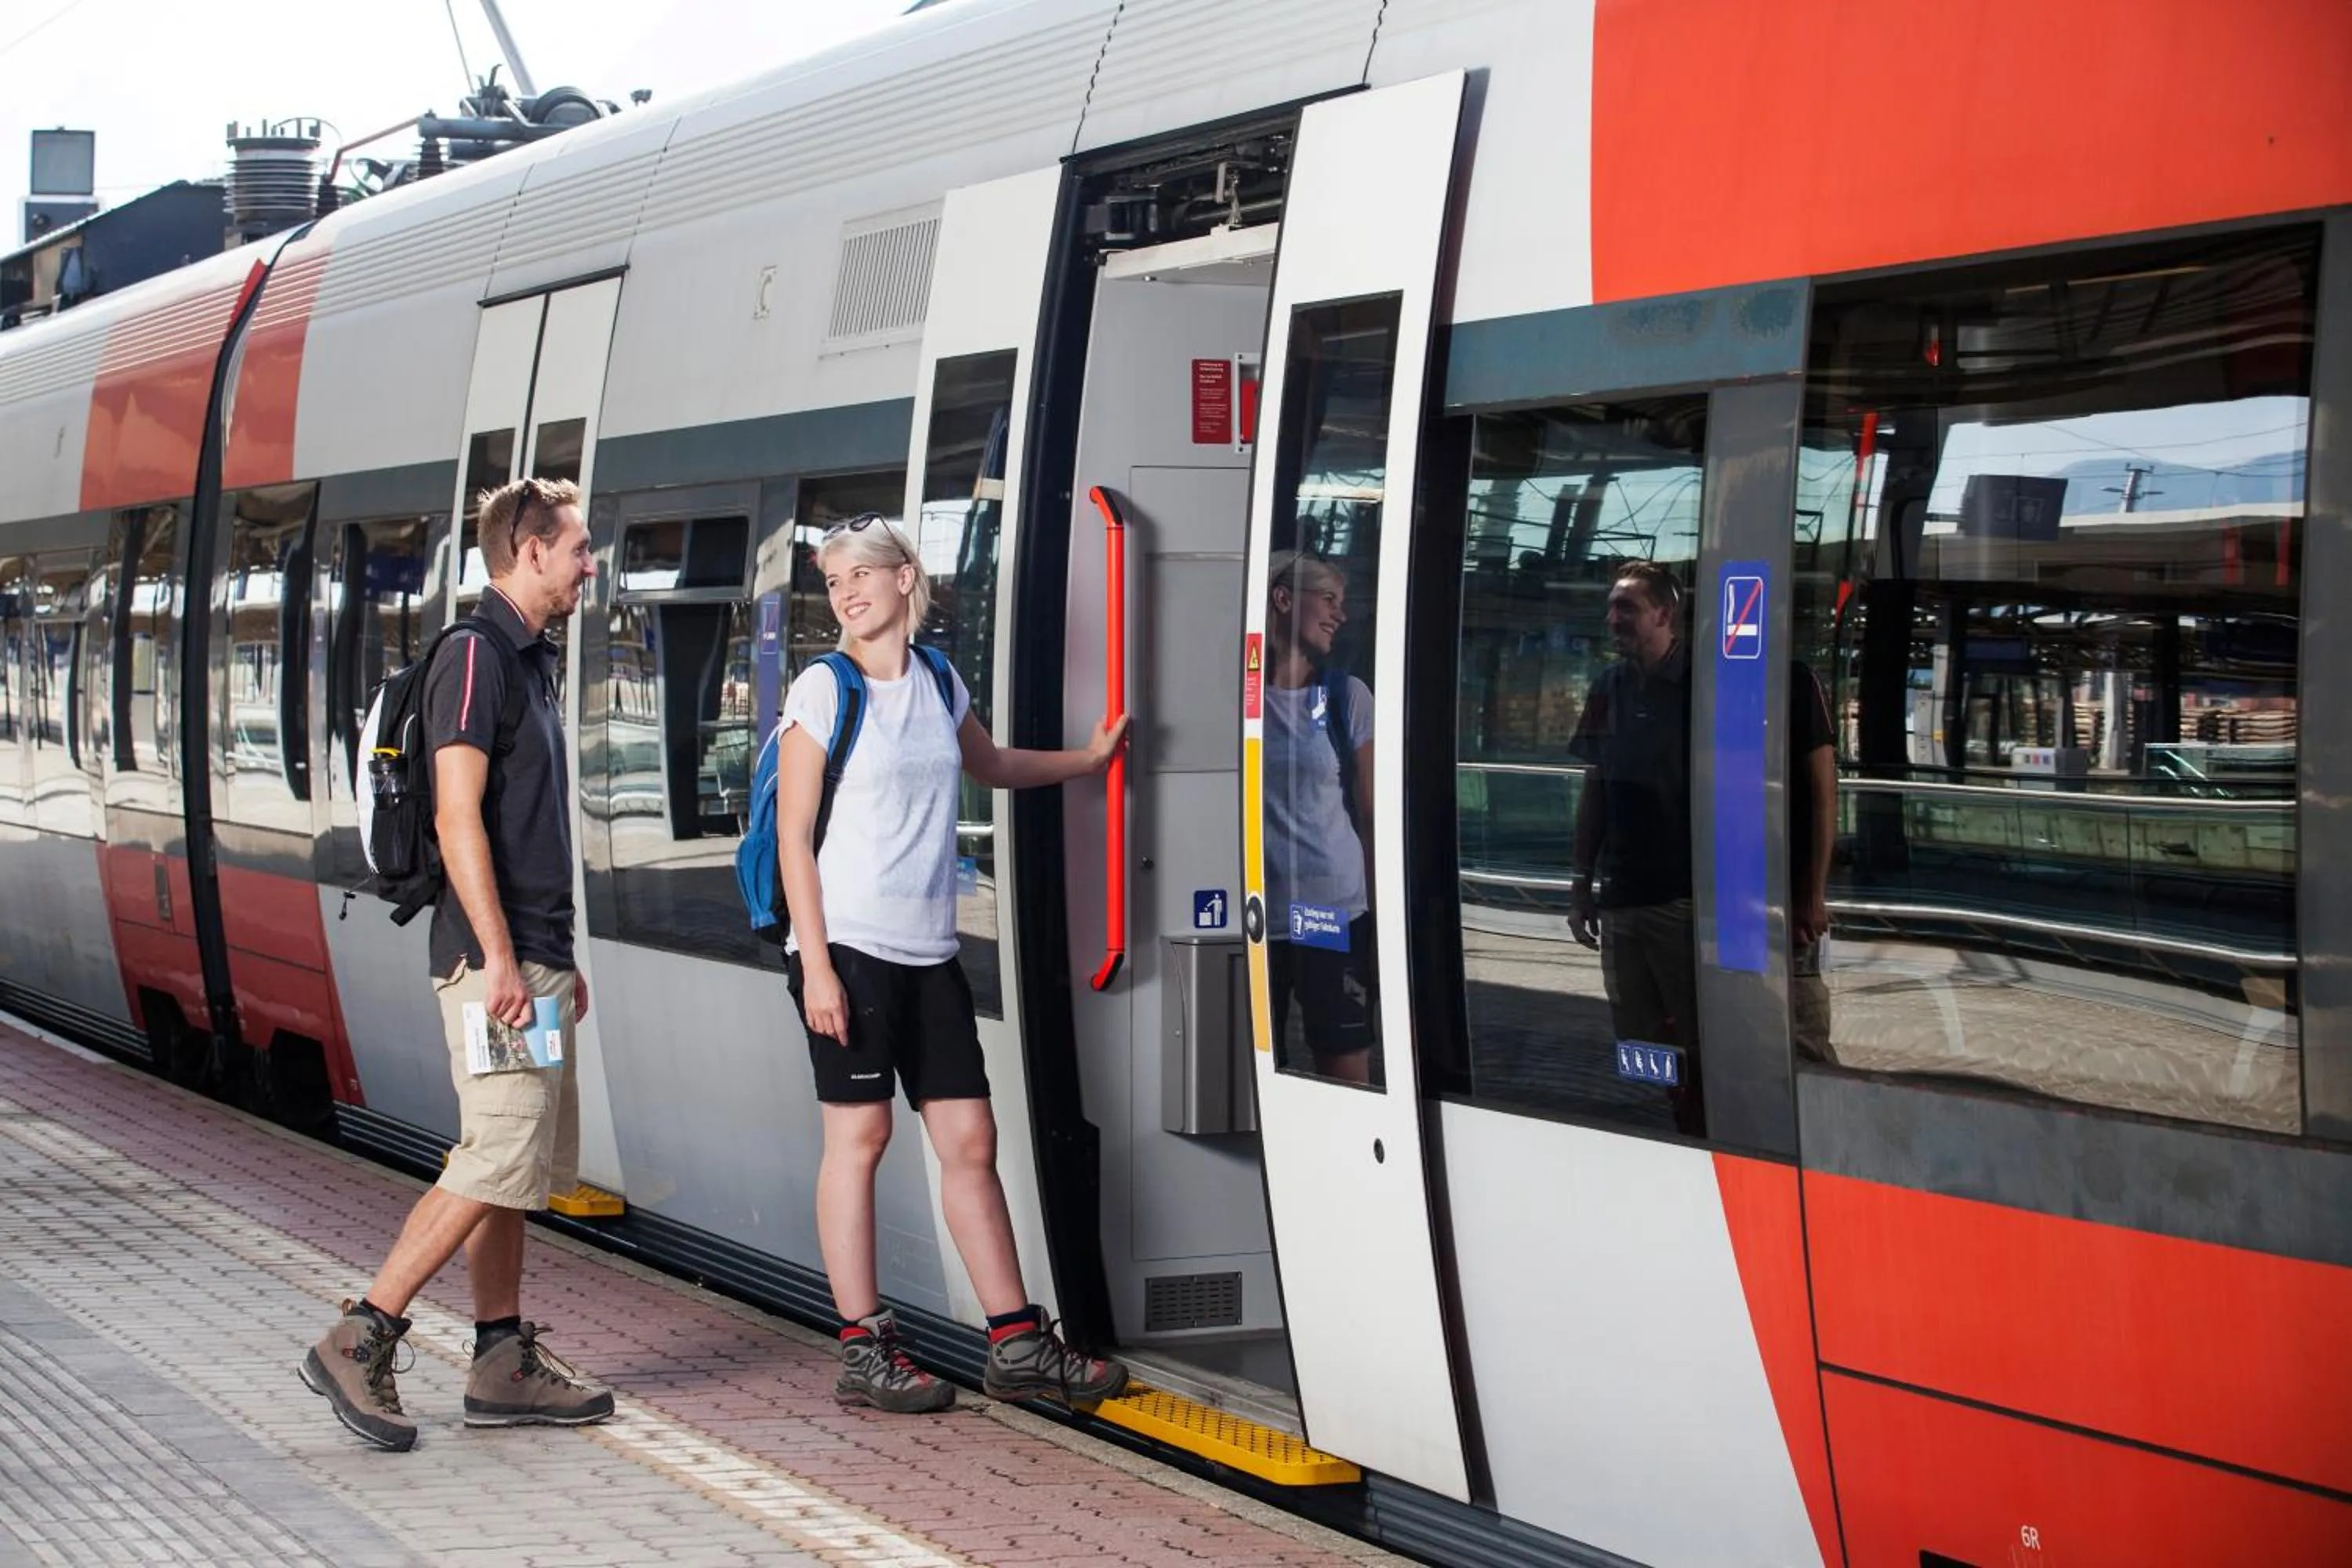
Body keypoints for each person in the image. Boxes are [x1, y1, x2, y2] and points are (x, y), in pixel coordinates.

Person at [779, 512, 1130, 1414]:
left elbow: (993, 762)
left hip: (929, 949)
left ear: (906, 579)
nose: (846, 592)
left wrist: (1087, 760)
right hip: (848, 948)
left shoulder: (937, 677)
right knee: (859, 1140)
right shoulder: (823, 687)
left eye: (860, 573)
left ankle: (1014, 1342)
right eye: (832, 580)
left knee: (971, 1140)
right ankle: (863, 1346)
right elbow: (792, 837)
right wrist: (816, 966)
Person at [301, 477, 610, 1451]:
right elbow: (455, 814)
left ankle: (500, 1357)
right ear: (528, 551)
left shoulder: (529, 660)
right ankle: (365, 1329)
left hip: (531, 961)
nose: (589, 563)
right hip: (496, 966)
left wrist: (556, 958)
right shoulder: (477, 658)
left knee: (515, 1163)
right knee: (494, 1152)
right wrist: (505, 959)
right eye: (577, 548)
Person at [1567, 562, 1702, 1134]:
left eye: (1627, 607)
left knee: (1698, 1035)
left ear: (1664, 615)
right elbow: (1595, 786)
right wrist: (1581, 884)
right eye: (1612, 607)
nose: (1613, 618)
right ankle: (1668, 1128)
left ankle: (1704, 1132)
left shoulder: (1704, 683)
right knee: (1640, 1035)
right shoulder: (1608, 687)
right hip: (1621, 897)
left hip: (1683, 898)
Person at [1260, 550, 1377, 1085]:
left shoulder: (1345, 696)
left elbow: (1371, 812)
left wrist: (1379, 919)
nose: (1340, 614)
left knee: (1343, 1058)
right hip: (1257, 917)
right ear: (1283, 599)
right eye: (1328, 599)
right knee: (1255, 1067)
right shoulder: (1233, 697)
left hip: (1332, 909)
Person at [1790, 660, 1838, 1061]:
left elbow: (1824, 796)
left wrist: (1812, 895)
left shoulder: (1796, 681)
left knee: (1802, 1030)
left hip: (1785, 894)